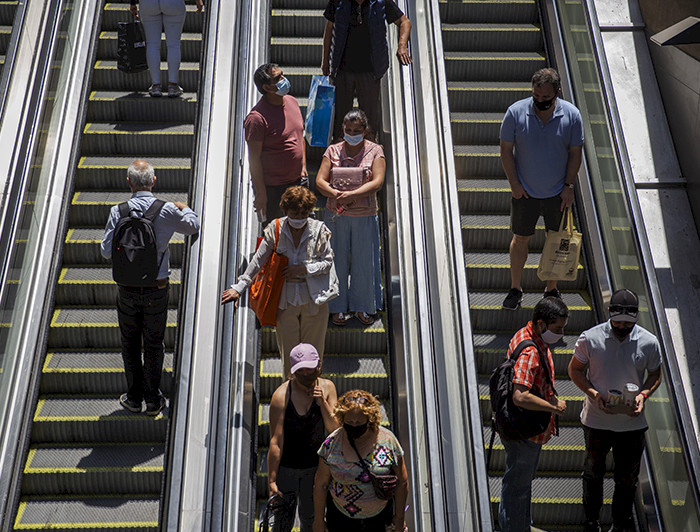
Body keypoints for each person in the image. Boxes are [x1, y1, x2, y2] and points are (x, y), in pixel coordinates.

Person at [101, 160, 200, 415]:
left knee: (130, 342)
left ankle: (133, 398)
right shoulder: (165, 209)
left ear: (129, 183)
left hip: (127, 290)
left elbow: (105, 251)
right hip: (157, 289)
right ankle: (154, 400)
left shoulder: (117, 211)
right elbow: (193, 227)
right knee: (154, 344)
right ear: (153, 181)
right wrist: (187, 209)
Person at [568, 289, 662, 532]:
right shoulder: (590, 338)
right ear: (610, 315)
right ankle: (592, 519)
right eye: (618, 322)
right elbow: (575, 370)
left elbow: (655, 375)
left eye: (628, 323)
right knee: (593, 473)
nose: (623, 327)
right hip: (596, 420)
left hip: (632, 424)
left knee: (627, 479)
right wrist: (593, 394)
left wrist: (643, 395)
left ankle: (620, 522)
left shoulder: (649, 342)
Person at [221, 186, 338, 376]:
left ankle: (313, 393)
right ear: (285, 210)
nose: (299, 217)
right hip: (284, 300)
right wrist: (240, 286)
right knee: (289, 356)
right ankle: (290, 394)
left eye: (304, 213)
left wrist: (304, 269)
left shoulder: (319, 229)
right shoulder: (275, 229)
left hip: (314, 300)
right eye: (295, 213)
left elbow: (328, 262)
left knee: (315, 355)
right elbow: (259, 260)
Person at [499, 68, 584, 310]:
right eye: (536, 96)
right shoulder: (516, 112)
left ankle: (551, 289)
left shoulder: (571, 115)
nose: (539, 102)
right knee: (520, 238)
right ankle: (516, 288)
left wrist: (569, 186)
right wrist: (514, 184)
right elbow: (505, 149)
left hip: (557, 192)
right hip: (525, 192)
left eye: (545, 98)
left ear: (557, 93)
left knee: (556, 241)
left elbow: (575, 153)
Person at [499, 296, 568, 532]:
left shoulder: (525, 334)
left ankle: (520, 525)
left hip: (518, 424)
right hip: (526, 429)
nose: (560, 333)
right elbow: (520, 396)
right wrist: (553, 406)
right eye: (557, 328)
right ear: (541, 324)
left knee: (520, 482)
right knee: (518, 485)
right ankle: (514, 528)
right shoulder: (531, 352)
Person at [315, 109, 384, 326]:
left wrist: (352, 194)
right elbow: (320, 180)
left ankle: (362, 306)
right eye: (348, 130)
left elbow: (378, 181)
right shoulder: (332, 150)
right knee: (335, 260)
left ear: (365, 130)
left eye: (357, 130)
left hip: (365, 214)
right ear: (343, 129)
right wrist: (336, 194)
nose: (352, 133)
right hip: (336, 215)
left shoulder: (376, 150)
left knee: (365, 261)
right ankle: (336, 306)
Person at [313, 390, 408, 532]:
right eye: (350, 421)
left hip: (379, 519)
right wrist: (319, 521)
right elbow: (321, 484)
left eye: (359, 422)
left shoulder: (388, 441)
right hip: (340, 518)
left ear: (369, 419)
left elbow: (402, 481)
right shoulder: (331, 445)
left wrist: (399, 518)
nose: (354, 425)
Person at [268, 343, 339, 532]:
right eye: (301, 372)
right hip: (287, 468)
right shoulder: (281, 395)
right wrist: (272, 480)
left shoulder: (328, 387)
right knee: (282, 520)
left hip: (315, 468)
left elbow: (335, 430)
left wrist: (322, 402)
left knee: (312, 518)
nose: (307, 376)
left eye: (311, 371)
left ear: (319, 367)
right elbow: (276, 440)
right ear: (293, 372)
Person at [321, 0, 412, 141]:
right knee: (340, 121)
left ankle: (369, 154)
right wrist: (325, 60)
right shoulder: (338, 2)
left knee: (369, 121)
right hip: (342, 70)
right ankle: (339, 155)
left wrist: (402, 45)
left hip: (370, 70)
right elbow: (329, 29)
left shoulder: (381, 2)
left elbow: (404, 22)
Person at [244, 63, 308, 224]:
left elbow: (300, 136)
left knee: (302, 234)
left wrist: (303, 166)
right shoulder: (256, 119)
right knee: (277, 238)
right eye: (278, 78)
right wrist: (261, 194)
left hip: (298, 182)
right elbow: (254, 159)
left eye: (282, 75)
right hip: (274, 190)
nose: (284, 80)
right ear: (267, 87)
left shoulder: (292, 102)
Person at [130, 0, 203, 98]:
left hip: (148, 4)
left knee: (152, 44)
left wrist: (132, 3)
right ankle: (173, 86)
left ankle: (156, 86)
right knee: (174, 45)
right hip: (172, 3)